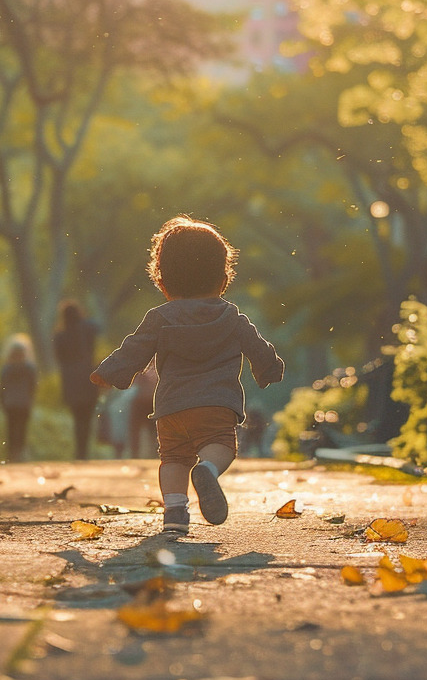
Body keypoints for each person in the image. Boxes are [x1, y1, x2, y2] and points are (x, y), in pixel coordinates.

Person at [90, 216, 284, 535]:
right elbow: (260, 349)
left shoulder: (160, 317)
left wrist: (108, 371)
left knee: (173, 459)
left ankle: (176, 514)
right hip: (217, 405)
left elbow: (134, 349)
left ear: (163, 283)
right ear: (223, 280)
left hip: (171, 408)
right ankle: (207, 469)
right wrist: (270, 369)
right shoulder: (232, 317)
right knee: (220, 445)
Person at [53, 300, 100, 460]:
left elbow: (59, 358)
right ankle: (84, 452)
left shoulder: (60, 335)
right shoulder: (88, 329)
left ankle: (79, 451)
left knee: (77, 417)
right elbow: (97, 327)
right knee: (87, 416)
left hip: (71, 380)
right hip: (88, 377)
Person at [0, 334, 38, 462]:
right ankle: (20, 452)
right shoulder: (29, 368)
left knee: (11, 428)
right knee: (22, 428)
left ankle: (11, 452)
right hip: (24, 402)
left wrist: (2, 401)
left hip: (10, 403)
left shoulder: (7, 368)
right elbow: (33, 385)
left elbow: (1, 387)